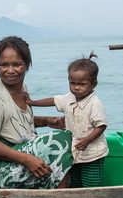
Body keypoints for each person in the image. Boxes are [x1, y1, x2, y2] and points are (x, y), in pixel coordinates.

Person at [0, 36, 73, 189]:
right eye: (4, 65)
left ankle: (58, 191)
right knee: (61, 141)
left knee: (71, 138)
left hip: (17, 155)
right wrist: (28, 160)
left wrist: (48, 121)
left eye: (17, 65)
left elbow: (14, 121)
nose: (10, 70)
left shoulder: (22, 87)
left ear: (27, 65)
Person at [27, 53, 108, 187]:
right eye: (72, 83)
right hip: (74, 151)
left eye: (82, 84)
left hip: (93, 153)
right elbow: (53, 100)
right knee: (75, 181)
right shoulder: (69, 98)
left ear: (93, 84)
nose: (76, 87)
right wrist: (32, 102)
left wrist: (87, 140)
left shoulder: (94, 103)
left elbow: (101, 126)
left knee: (91, 182)